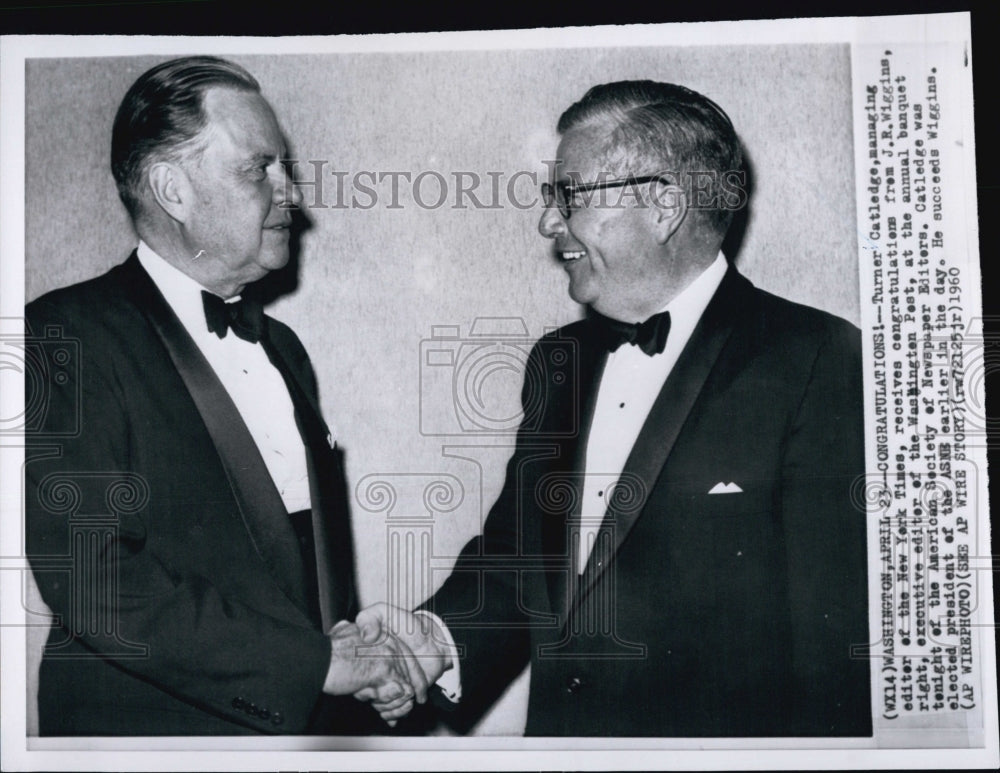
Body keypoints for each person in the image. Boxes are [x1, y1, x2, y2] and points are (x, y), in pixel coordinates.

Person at [356, 80, 872, 737]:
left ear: (663, 205)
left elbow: (835, 657)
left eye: (568, 194)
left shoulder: (817, 358)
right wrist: (429, 642)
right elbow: (522, 560)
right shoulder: (558, 362)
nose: (548, 223)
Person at [24, 56, 425, 736]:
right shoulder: (63, 334)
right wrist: (316, 664)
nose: (291, 194)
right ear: (171, 190)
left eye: (285, 168)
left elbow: (288, 561)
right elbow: (95, 583)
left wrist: (359, 665)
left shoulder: (285, 348)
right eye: (257, 169)